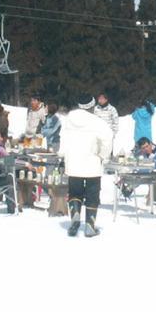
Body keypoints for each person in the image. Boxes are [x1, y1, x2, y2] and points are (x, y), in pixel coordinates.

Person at [59, 95, 113, 237]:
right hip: (92, 163)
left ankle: (75, 213)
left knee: (75, 192)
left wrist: (63, 154)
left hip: (73, 162)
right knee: (92, 195)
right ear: (92, 106)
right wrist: (103, 155)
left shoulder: (69, 119)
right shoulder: (97, 122)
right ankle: (90, 225)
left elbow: (62, 138)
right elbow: (107, 139)